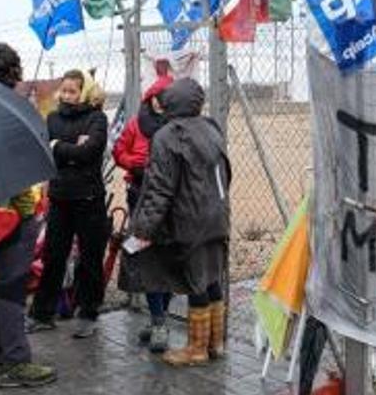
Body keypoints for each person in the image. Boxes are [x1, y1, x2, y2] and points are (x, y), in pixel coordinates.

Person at [0, 43, 57, 388]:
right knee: (9, 288)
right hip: (11, 215)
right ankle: (16, 362)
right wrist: (28, 214)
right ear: (12, 74)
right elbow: (24, 168)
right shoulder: (13, 109)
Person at [131, 78, 231, 366]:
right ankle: (217, 343)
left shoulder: (167, 135)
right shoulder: (211, 128)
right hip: (218, 214)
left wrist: (142, 230)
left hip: (190, 219)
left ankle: (196, 349)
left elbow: (160, 189)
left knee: (195, 279)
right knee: (212, 276)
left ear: (170, 103)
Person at [27, 70, 109, 339]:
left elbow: (89, 152)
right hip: (60, 198)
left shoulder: (97, 118)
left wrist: (58, 146)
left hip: (89, 199)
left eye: (72, 91)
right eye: (63, 90)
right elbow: (45, 153)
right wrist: (71, 148)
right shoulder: (52, 118)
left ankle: (88, 313)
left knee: (90, 258)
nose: (66, 95)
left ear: (84, 92)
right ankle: (42, 313)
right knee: (53, 257)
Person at [112, 71, 173, 353]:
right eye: (160, 98)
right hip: (139, 194)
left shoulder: (176, 126)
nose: (163, 102)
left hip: (169, 198)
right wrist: (132, 165)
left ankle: (159, 317)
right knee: (146, 257)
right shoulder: (137, 124)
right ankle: (158, 319)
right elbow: (118, 150)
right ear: (151, 99)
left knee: (168, 259)